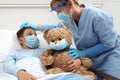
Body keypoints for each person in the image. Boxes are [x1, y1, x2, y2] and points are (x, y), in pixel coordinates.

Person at [20, 0, 120, 80]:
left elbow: (109, 43)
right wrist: (35, 26)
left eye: (59, 11)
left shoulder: (99, 16)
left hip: (111, 59)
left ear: (69, 3)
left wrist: (83, 53)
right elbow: (56, 27)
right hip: (92, 62)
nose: (59, 15)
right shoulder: (69, 19)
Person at [3, 26, 87, 80]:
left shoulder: (44, 51)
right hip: (19, 77)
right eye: (30, 34)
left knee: (76, 78)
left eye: (35, 34)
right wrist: (20, 73)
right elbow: (7, 65)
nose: (34, 37)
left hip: (45, 77)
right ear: (21, 40)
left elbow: (63, 54)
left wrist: (78, 60)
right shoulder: (15, 53)